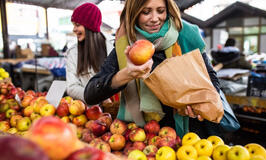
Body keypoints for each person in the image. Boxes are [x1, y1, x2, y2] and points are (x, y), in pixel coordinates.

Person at [84, 0, 222, 138]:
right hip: (144, 139)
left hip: (189, 135)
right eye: (146, 12)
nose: (155, 19)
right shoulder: (126, 45)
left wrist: (202, 102)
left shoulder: (185, 35)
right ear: (135, 13)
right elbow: (90, 94)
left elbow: (212, 78)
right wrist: (127, 74)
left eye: (161, 11)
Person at [66, 3, 113, 104]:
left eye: (77, 25)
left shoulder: (110, 49)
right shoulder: (73, 53)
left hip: (113, 109)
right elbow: (71, 87)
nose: (74, 29)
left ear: (90, 26)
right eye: (73, 25)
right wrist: (96, 96)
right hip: (85, 110)